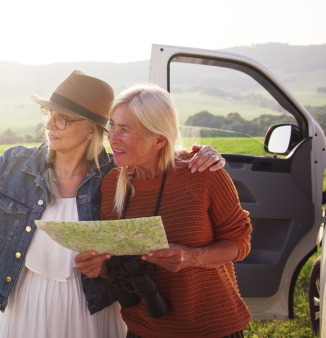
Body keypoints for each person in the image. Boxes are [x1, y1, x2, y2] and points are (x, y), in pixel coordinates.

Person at [0, 71, 225, 337]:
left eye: (64, 117)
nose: (52, 123)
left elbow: (157, 156)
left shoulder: (116, 171)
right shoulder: (15, 163)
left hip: (93, 305)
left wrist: (199, 154)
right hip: (26, 301)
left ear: (94, 129)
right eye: (49, 113)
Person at [75, 83, 252, 338]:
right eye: (112, 125)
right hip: (142, 330)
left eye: (125, 129)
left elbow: (240, 242)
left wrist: (193, 257)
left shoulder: (202, 174)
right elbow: (116, 263)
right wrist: (96, 267)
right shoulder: (113, 184)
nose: (112, 137)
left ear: (159, 139)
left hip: (212, 329)